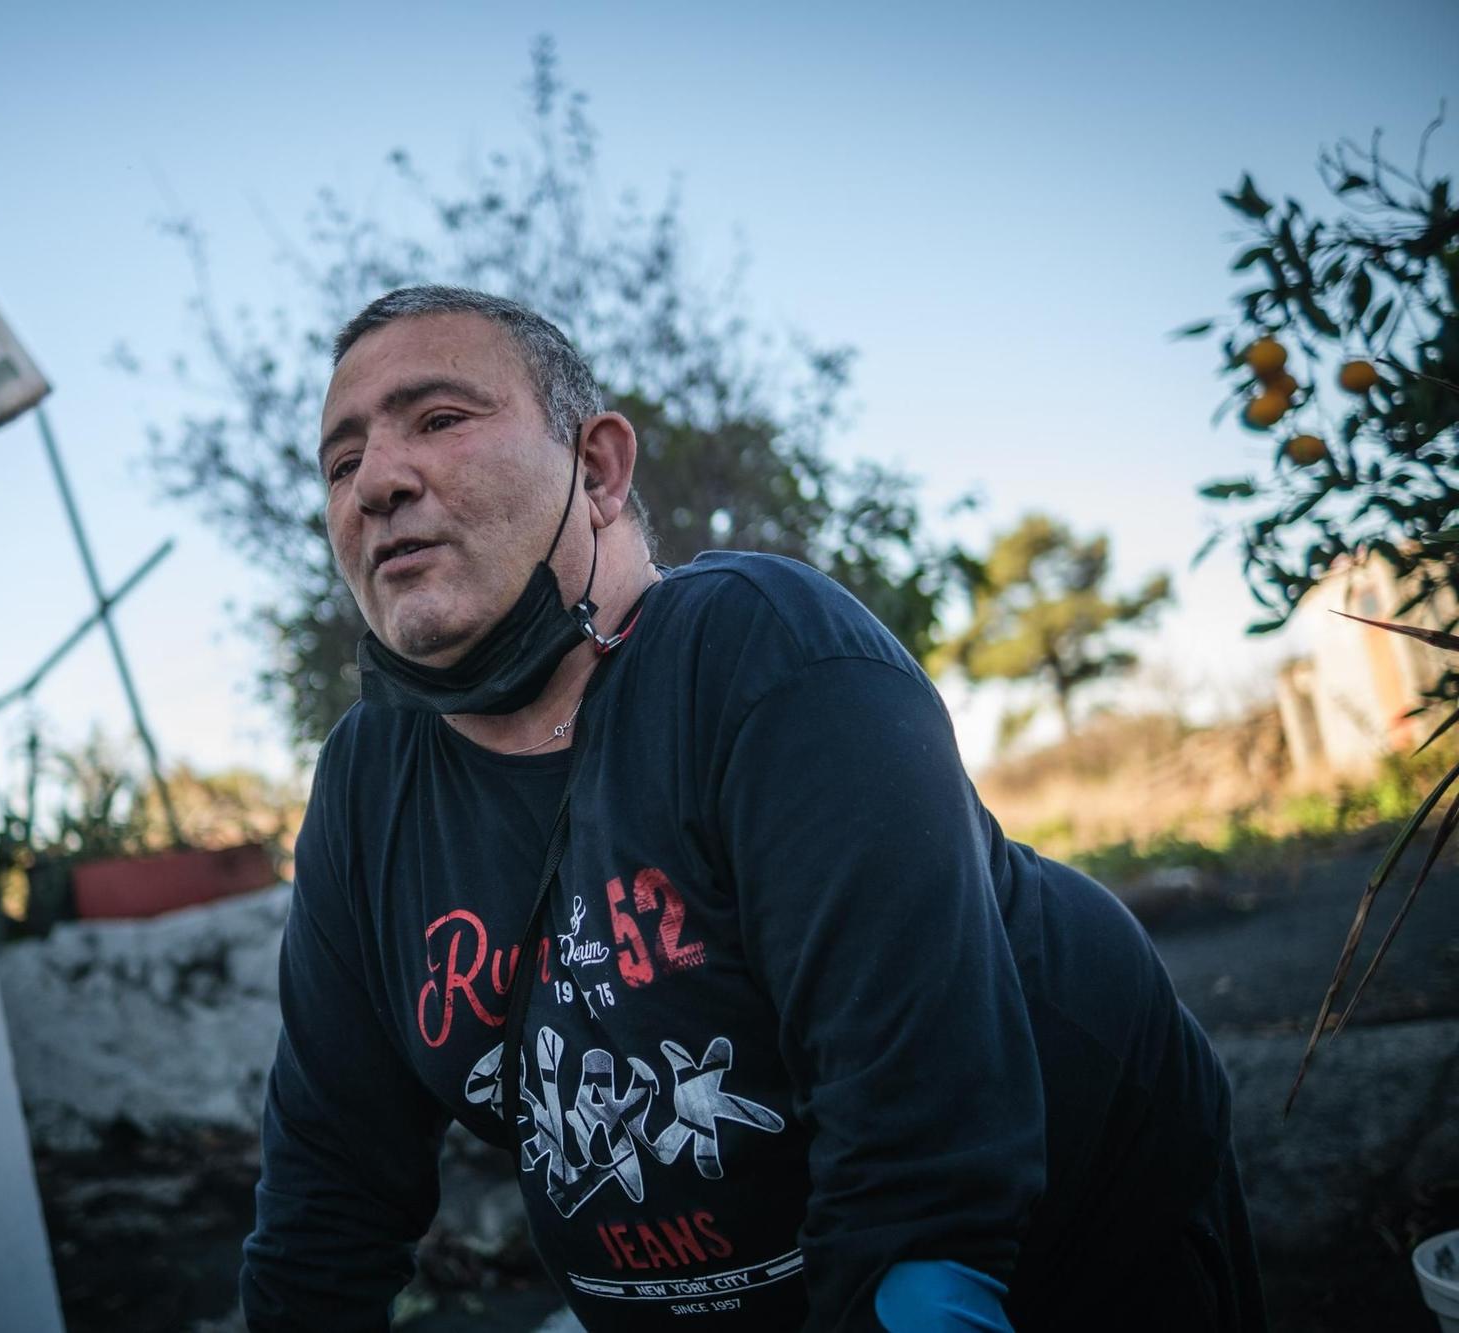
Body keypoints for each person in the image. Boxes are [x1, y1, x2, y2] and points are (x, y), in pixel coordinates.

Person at [239, 285, 1266, 1332]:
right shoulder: (367, 781)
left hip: (1067, 1230)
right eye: (339, 461)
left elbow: (915, 1176)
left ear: (594, 470)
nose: (376, 481)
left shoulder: (764, 657)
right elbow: (328, 1187)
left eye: (439, 420)